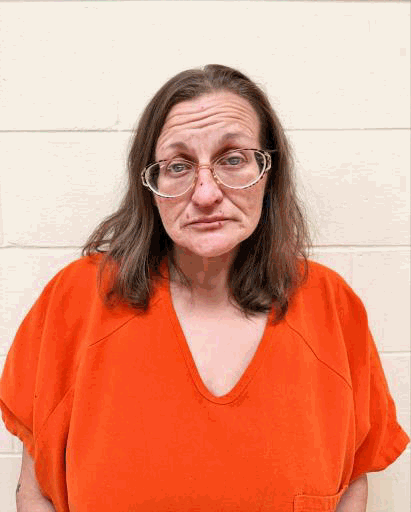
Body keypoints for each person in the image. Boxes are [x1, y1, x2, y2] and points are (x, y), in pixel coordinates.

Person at [0, 64, 409, 512]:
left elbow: (352, 481)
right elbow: (34, 490)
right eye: (178, 166)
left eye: (233, 159)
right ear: (150, 185)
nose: (206, 193)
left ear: (268, 172)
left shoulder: (331, 305)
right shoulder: (78, 299)